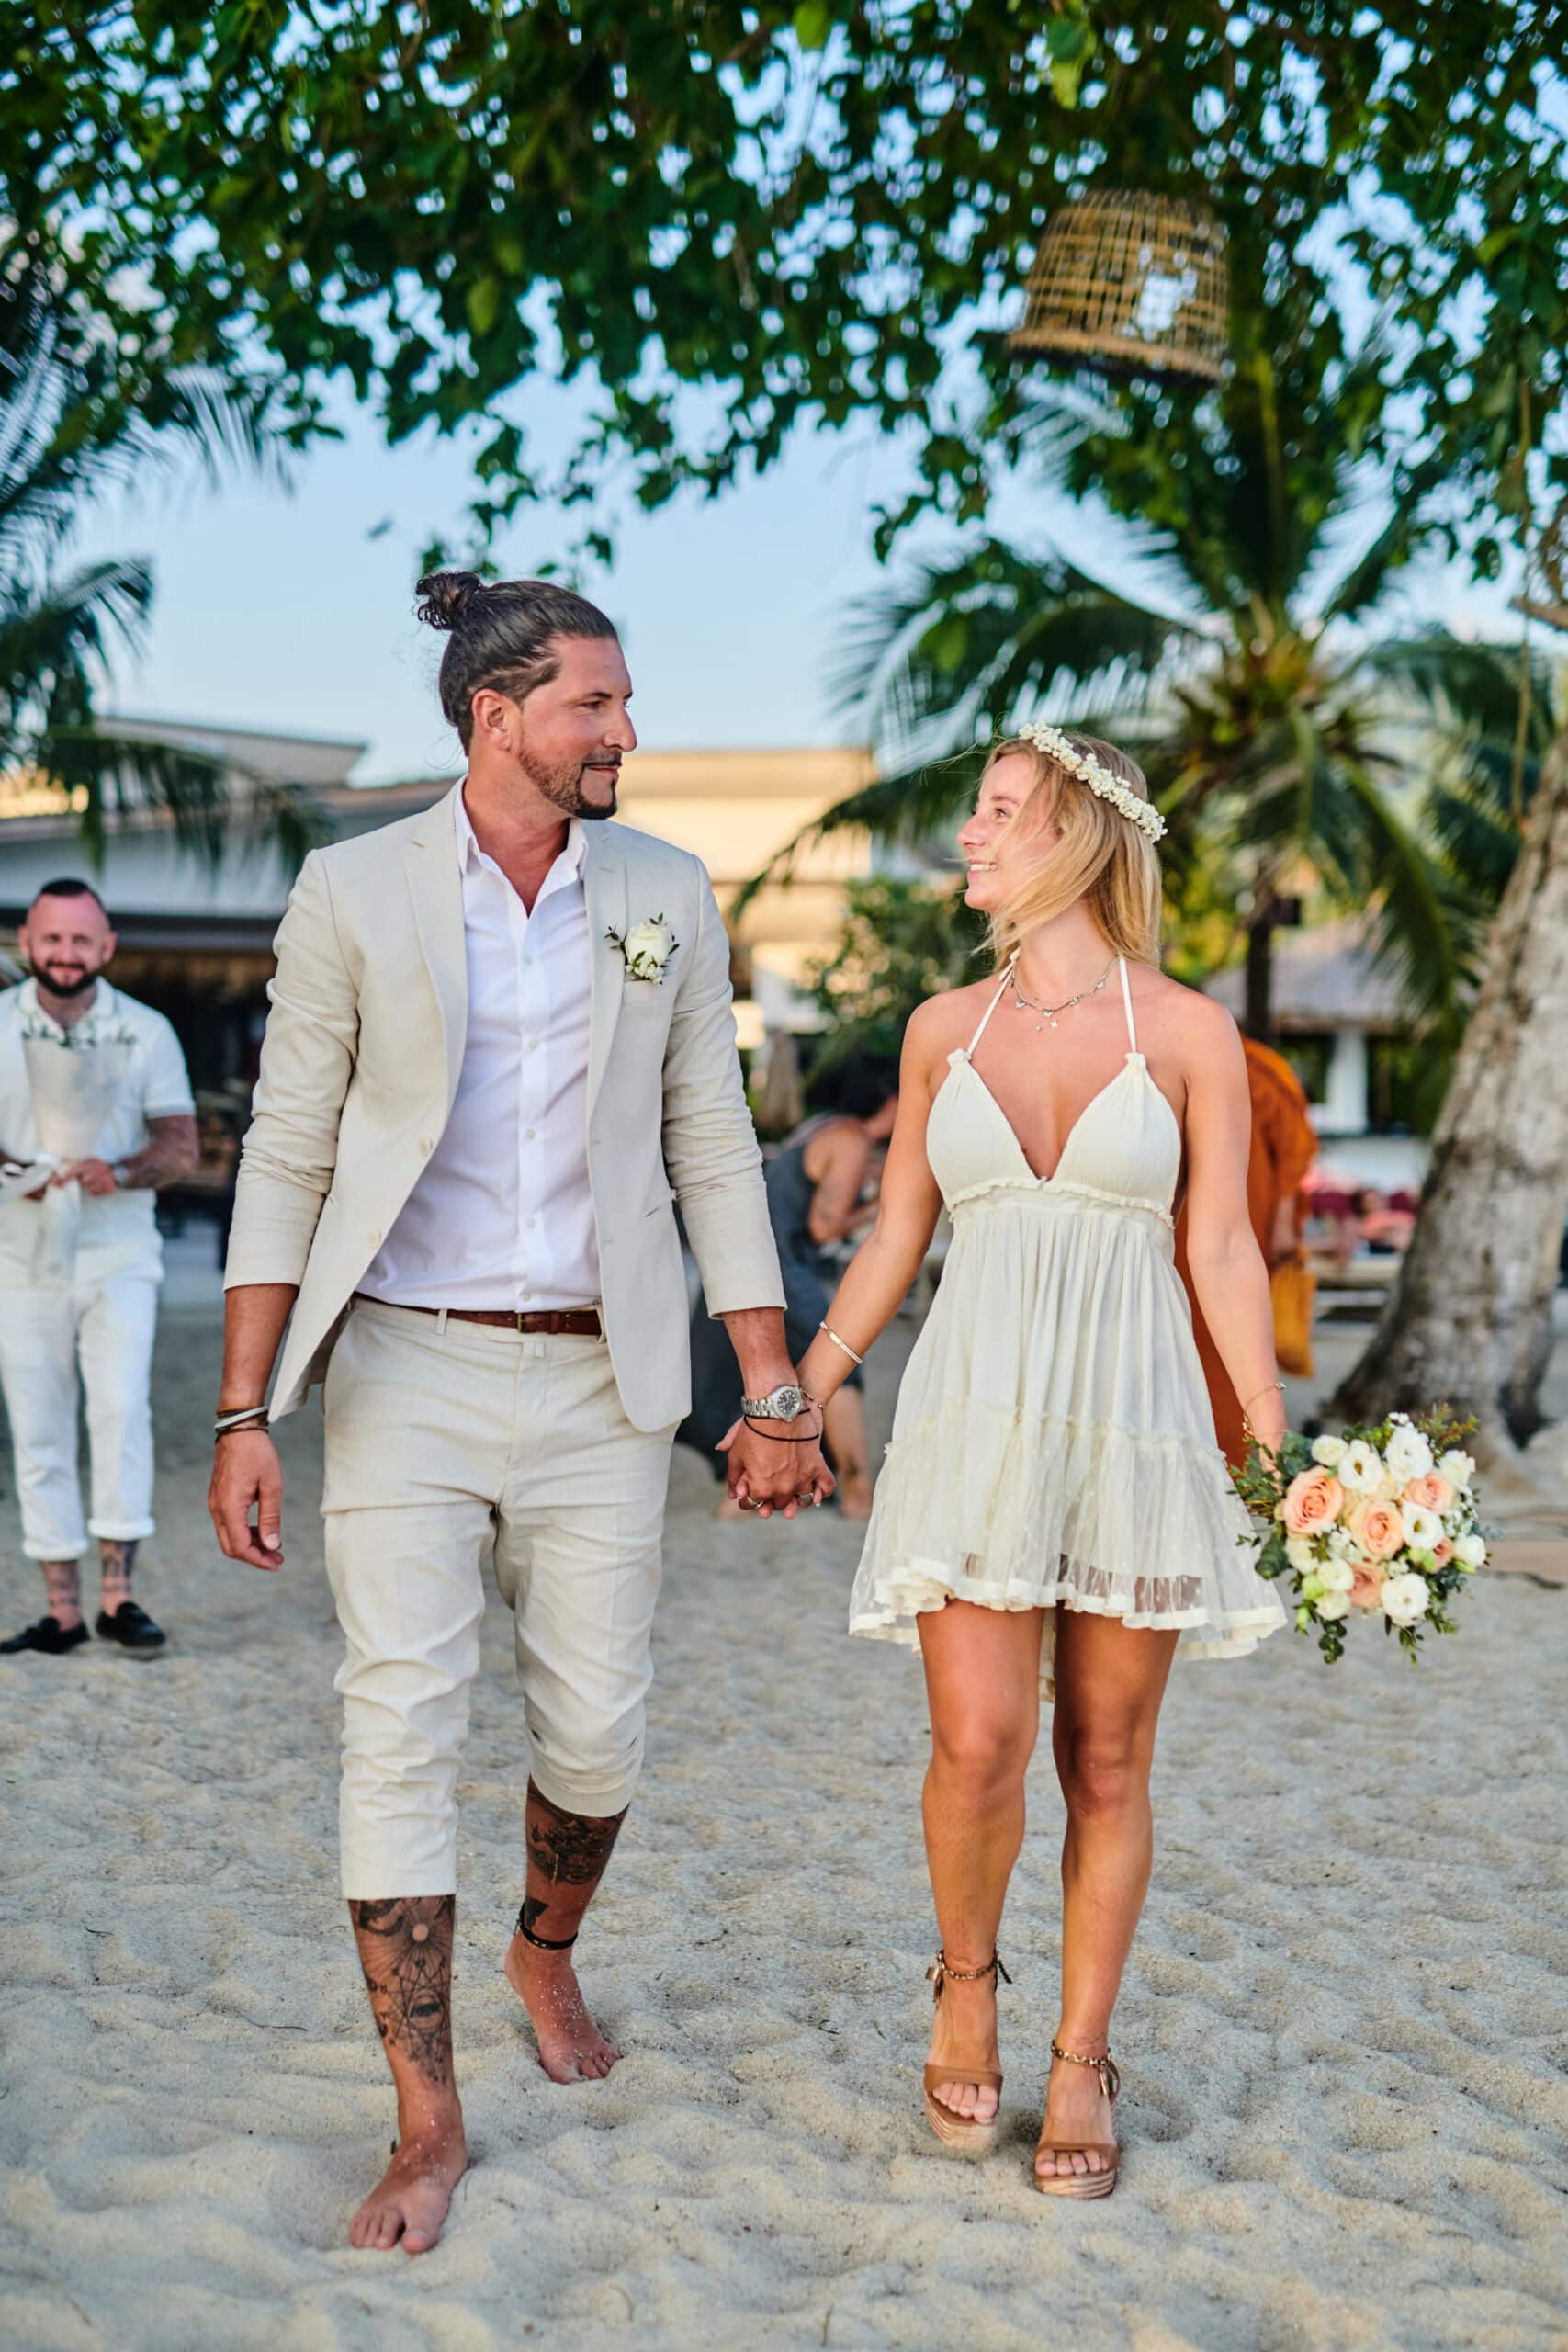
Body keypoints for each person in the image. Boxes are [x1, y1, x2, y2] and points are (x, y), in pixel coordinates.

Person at [208, 572, 831, 2258]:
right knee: (397, 1722)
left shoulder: (661, 893)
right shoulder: (353, 891)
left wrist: (769, 1387)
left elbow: (710, 1143)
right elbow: (289, 1148)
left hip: (602, 1375)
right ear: (496, 715)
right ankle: (427, 2120)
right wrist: (243, 1407)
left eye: (623, 705)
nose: (627, 732)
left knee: (598, 1732)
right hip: (404, 1367)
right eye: (596, 706)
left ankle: (543, 1949)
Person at [791, 726, 1286, 2199]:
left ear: (1076, 832)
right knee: (977, 1742)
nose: (969, 834)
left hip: (1127, 1428)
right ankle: (963, 1982)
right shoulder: (942, 1027)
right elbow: (895, 1234)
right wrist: (801, 1385)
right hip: (978, 1423)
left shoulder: (1189, 1033)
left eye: (997, 812)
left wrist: (1266, 1440)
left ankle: (1079, 2057)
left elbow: (1217, 1244)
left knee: (1107, 1759)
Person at [0, 879, 197, 1657]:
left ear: (107, 948)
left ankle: (120, 1598)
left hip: (119, 1252)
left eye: (82, 940)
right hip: (19, 1254)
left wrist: (121, 1170)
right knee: (37, 1423)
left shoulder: (146, 1031)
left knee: (119, 1410)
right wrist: (17, 1171)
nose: (66, 954)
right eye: (53, 939)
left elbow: (179, 1147)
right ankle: (61, 1611)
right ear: (28, 943)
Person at [680, 1053, 898, 1518]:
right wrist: (883, 1207)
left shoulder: (825, 1127)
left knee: (761, 1373)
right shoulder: (852, 1140)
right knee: (844, 1363)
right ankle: (859, 1494)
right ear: (892, 1099)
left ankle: (739, 1497)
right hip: (785, 1265)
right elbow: (824, 1226)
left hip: (754, 1259)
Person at [1175, 1034, 1317, 1467]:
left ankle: (1230, 1460)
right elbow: (1298, 1151)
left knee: (1219, 1343)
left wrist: (1280, 1224)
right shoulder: (1256, 1065)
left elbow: (1292, 1151)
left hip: (1234, 1220)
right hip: (1201, 1223)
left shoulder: (1257, 1068)